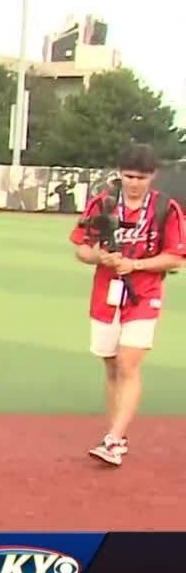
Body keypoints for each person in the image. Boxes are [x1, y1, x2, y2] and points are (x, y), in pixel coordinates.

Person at [69, 143, 186, 466]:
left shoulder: (167, 208)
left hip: (144, 294)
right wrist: (100, 257)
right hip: (106, 295)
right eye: (129, 176)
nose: (134, 183)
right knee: (110, 365)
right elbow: (81, 247)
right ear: (120, 174)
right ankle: (116, 433)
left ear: (153, 176)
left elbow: (176, 256)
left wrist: (136, 265)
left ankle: (114, 439)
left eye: (142, 177)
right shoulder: (103, 204)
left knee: (128, 363)